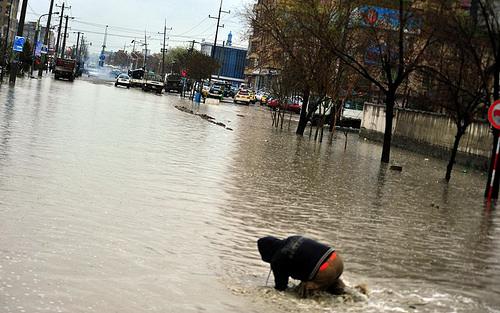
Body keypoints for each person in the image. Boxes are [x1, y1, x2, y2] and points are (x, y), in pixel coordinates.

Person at [257, 235, 345, 297]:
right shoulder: (293, 238)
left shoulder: (277, 260)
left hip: (324, 270)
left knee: (301, 295)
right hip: (337, 259)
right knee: (334, 289)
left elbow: (281, 287)